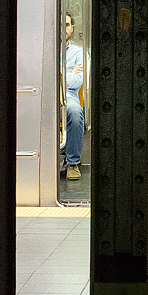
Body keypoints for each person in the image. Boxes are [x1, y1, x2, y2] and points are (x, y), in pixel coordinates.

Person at [64, 12, 85, 180]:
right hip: (48, 91)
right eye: (61, 24)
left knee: (75, 112)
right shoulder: (46, 49)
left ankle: (72, 163)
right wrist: (69, 74)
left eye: (67, 25)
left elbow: (78, 82)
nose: (64, 29)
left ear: (72, 28)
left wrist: (62, 78)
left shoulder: (79, 52)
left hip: (68, 93)